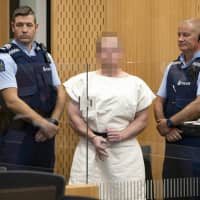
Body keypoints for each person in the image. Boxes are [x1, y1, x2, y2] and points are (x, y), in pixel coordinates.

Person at [64, 32, 155, 200]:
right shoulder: (83, 81)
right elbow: (74, 117)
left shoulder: (136, 84)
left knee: (128, 195)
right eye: (104, 50)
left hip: (125, 154)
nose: (109, 54)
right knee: (86, 195)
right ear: (98, 54)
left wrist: (122, 135)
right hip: (90, 149)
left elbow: (142, 119)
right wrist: (92, 137)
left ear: (121, 53)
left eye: (114, 50)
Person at [0, 6, 66, 172]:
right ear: (13, 26)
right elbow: (11, 100)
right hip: (17, 136)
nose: (24, 30)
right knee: (17, 189)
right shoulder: (5, 57)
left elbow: (61, 92)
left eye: (29, 25)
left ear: (36, 27)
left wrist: (53, 122)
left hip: (45, 136)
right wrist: (43, 123)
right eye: (20, 25)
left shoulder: (45, 55)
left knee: (46, 187)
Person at [154, 18, 200, 199]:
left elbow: (198, 105)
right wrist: (165, 127)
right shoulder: (172, 67)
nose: (180, 39)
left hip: (195, 145)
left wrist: (170, 122)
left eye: (186, 35)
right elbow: (158, 101)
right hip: (172, 142)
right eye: (178, 35)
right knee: (172, 193)